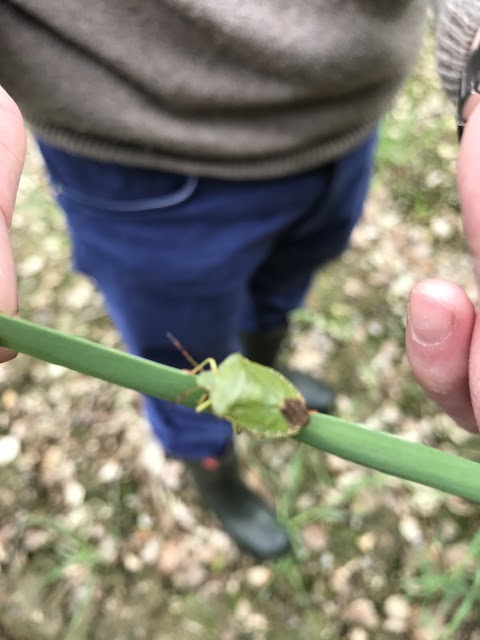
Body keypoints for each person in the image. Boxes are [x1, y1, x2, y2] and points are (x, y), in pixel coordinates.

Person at [0, 2, 479, 559]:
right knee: (177, 363)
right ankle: (212, 469)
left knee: (285, 283)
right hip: (138, 160)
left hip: (344, 123)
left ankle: (270, 358)